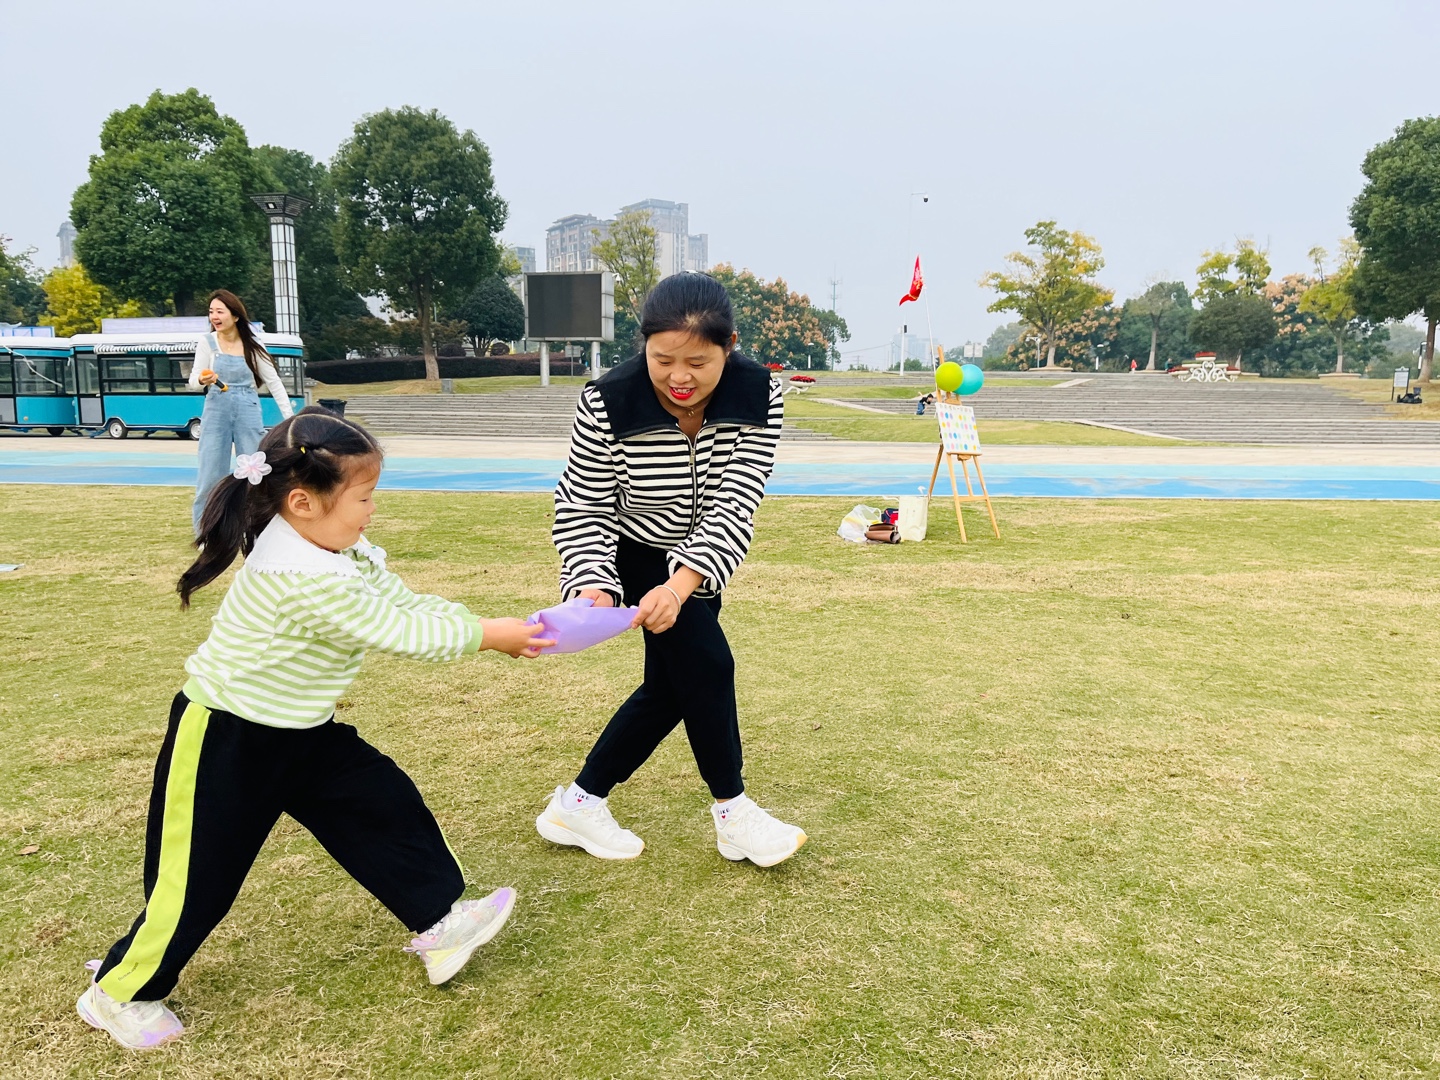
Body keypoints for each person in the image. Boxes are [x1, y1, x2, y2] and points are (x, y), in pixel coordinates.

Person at [77, 407, 553, 1051]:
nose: (372, 511)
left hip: (305, 731)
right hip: (228, 738)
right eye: (364, 497)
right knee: (198, 879)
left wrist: (484, 624)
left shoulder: (336, 547)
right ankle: (118, 991)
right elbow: (395, 630)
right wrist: (486, 636)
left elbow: (402, 602)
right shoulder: (295, 572)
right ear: (303, 502)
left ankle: (441, 922)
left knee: (383, 805)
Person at [535, 273, 807, 868]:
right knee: (708, 666)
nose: (679, 377)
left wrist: (682, 585)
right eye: (663, 360)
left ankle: (579, 802)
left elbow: (735, 502)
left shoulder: (759, 393)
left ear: (729, 346)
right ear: (645, 348)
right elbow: (583, 503)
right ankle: (733, 812)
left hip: (701, 560)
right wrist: (592, 583)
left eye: (698, 362)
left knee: (672, 687)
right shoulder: (608, 400)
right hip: (630, 549)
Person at [188, 290, 296, 535]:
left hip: (248, 409)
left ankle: (259, 530)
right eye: (211, 312)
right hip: (216, 410)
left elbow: (274, 382)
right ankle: (206, 534)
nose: (214, 316)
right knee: (210, 475)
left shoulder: (253, 345)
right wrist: (203, 380)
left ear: (235, 316)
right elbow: (193, 380)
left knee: (256, 472)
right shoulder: (207, 343)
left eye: (220, 311)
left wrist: (290, 419)